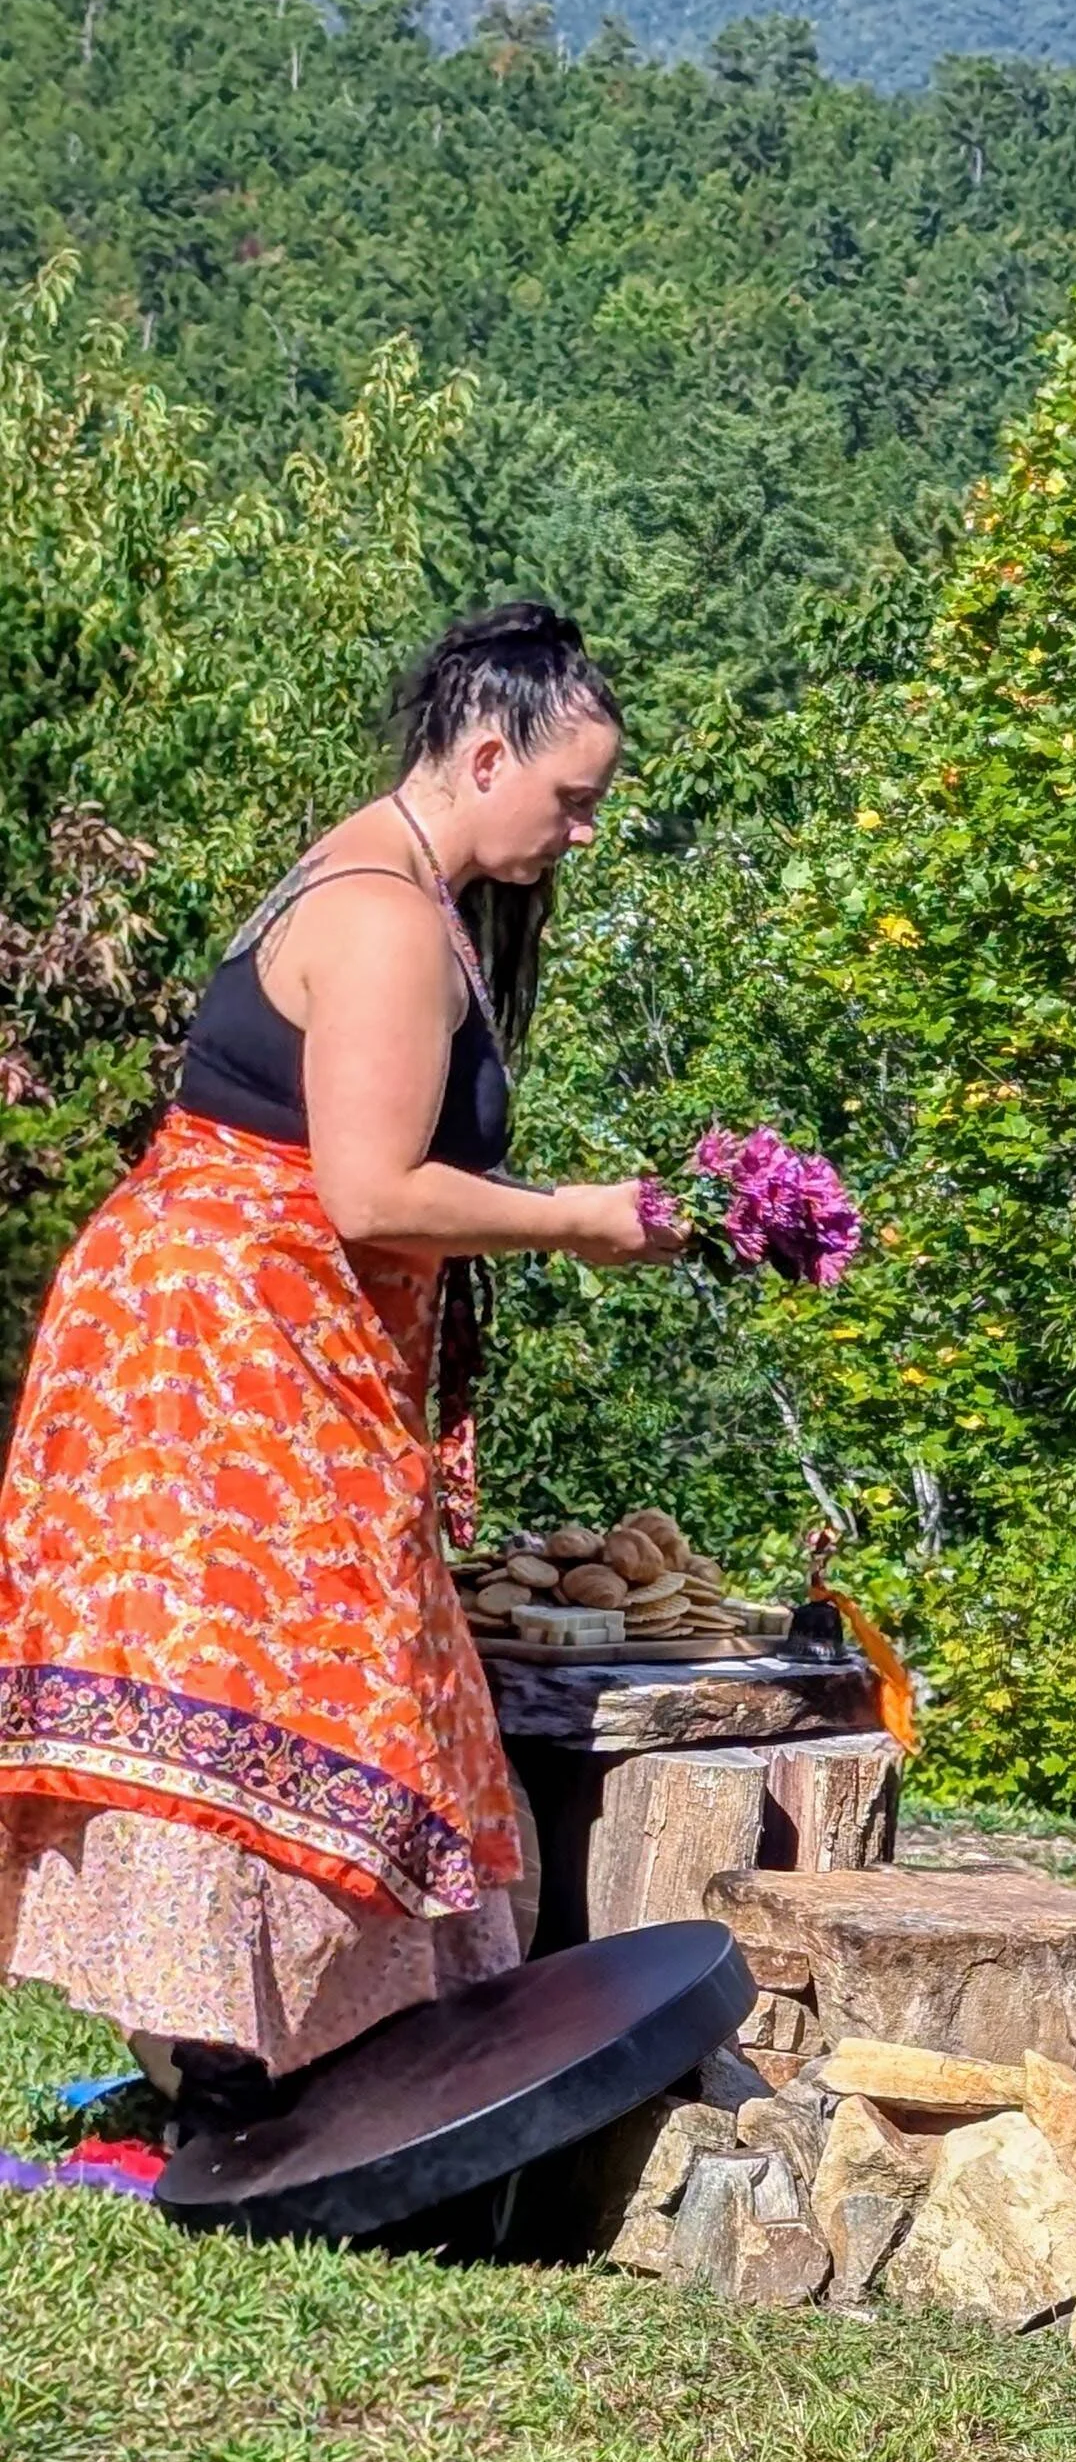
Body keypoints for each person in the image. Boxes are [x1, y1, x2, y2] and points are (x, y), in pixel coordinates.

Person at [0, 600, 681, 2117]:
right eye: (571, 799)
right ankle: (238, 2071)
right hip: (225, 1342)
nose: (580, 833)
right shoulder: (382, 916)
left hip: (241, 1321)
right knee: (282, 1673)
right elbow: (369, 1192)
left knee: (294, 1671)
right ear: (487, 751)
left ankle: (257, 2065)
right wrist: (580, 1218)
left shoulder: (391, 876)